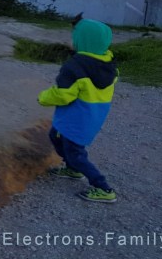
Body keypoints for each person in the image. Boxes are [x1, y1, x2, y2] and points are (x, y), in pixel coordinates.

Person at [38, 18, 119, 203]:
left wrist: (42, 98)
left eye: (76, 37)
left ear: (83, 40)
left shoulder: (74, 67)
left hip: (75, 117)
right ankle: (73, 169)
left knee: (75, 153)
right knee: (55, 135)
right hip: (91, 116)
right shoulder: (108, 63)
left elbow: (63, 95)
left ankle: (103, 187)